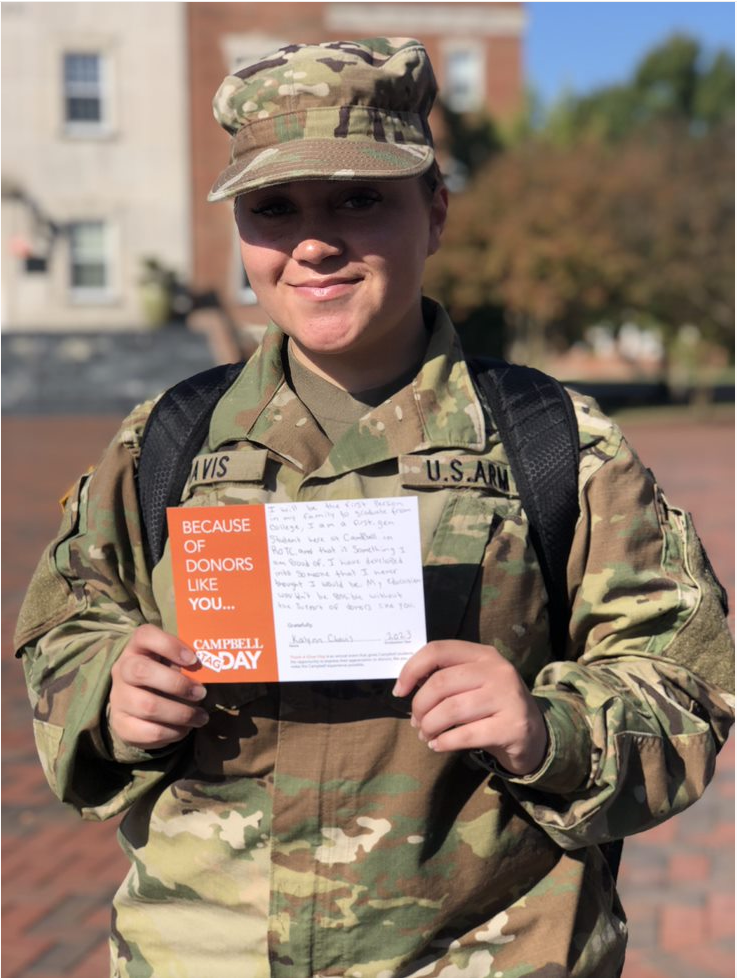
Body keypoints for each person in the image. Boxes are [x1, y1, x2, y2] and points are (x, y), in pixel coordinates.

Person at [16, 37, 734, 978]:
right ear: (241, 237)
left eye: (359, 198)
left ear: (432, 212)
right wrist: (109, 690)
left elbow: (683, 686)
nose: (314, 242)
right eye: (274, 208)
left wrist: (543, 727)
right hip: (203, 953)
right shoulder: (165, 442)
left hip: (480, 955)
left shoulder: (555, 443)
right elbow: (62, 631)